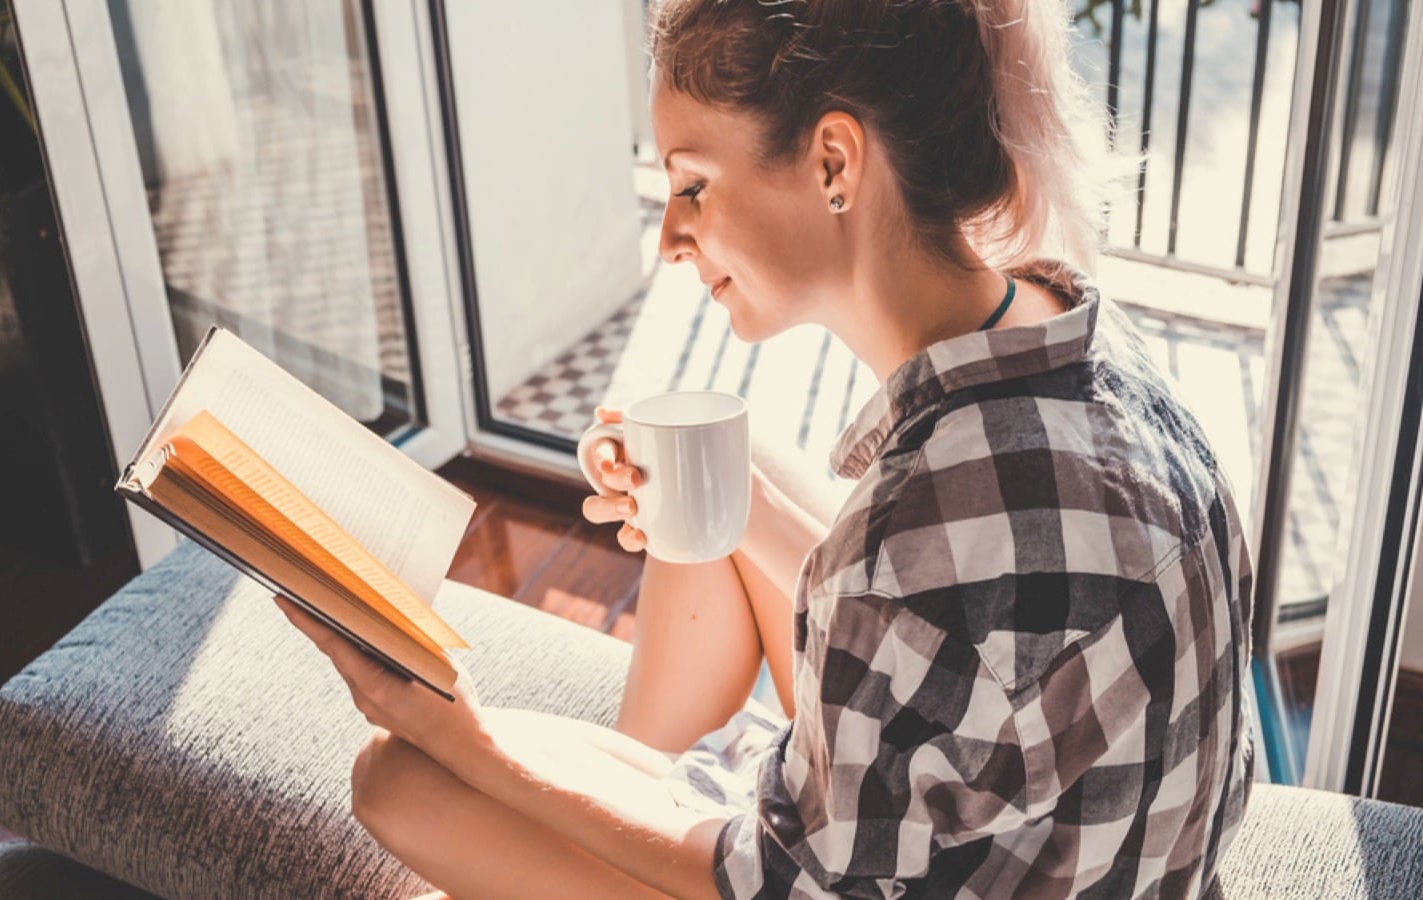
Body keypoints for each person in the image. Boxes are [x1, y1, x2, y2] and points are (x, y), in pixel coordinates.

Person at [274, 0, 1256, 896]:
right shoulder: (1077, 336)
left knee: (400, 781)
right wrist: (716, 502)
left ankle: (593, 820)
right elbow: (941, 629)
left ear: (834, 163)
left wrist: (472, 742)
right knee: (727, 471)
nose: (669, 237)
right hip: (1053, 842)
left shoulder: (915, 534)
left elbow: (779, 881)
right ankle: (623, 798)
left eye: (693, 185)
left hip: (868, 872)